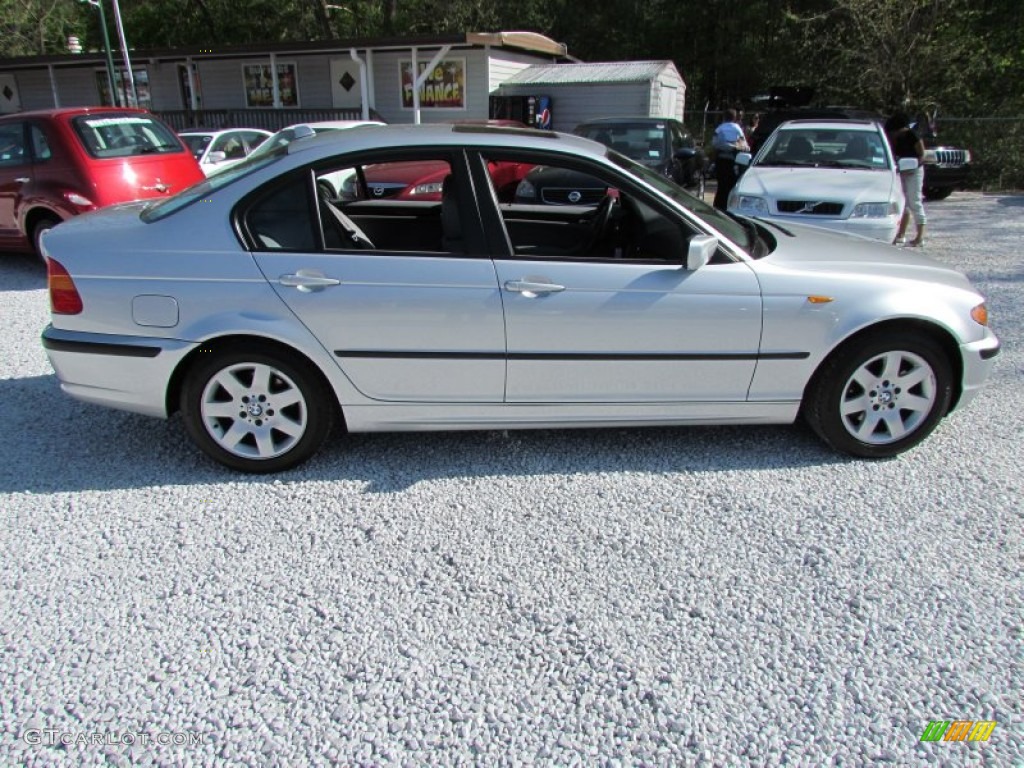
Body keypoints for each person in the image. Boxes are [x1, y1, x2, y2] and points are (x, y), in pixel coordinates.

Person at [885, 111, 927, 246]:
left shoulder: (912, 135)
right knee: (903, 203)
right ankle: (900, 234)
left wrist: (914, 167)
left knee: (915, 201)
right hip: (901, 170)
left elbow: (922, 154)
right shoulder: (893, 138)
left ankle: (920, 237)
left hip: (915, 170)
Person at [711, 108, 749, 210]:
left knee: (721, 185)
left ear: (724, 117)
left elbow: (714, 143)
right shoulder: (737, 129)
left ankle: (718, 206)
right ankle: (728, 206)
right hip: (734, 162)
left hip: (721, 160)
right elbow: (744, 145)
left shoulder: (719, 129)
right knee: (731, 185)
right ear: (735, 118)